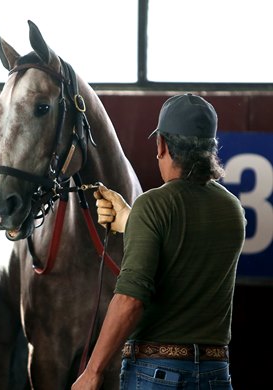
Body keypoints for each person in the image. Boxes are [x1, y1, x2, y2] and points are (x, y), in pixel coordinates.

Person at [71, 93, 246, 389]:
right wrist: (130, 219)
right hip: (217, 373)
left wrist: (93, 372)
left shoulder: (153, 205)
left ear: (162, 145)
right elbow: (188, 238)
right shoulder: (232, 209)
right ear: (210, 148)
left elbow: (130, 300)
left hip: (157, 375)